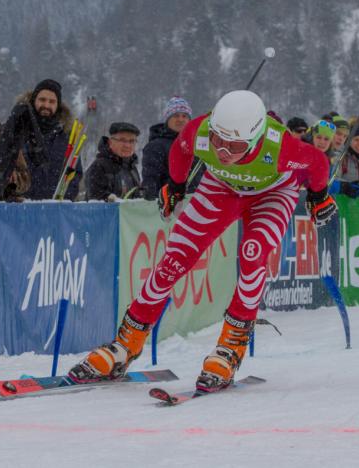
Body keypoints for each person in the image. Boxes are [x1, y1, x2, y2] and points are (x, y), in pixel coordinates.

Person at [69, 90, 336, 392]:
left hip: (272, 194)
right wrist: (177, 185)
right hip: (221, 186)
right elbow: (181, 150)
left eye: (233, 145)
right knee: (174, 258)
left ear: (254, 140)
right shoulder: (202, 131)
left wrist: (318, 196)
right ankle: (125, 343)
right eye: (218, 140)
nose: (222, 150)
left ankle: (230, 348)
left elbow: (317, 165)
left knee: (252, 255)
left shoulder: (281, 148)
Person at [0, 79, 83, 201]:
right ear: (33, 100)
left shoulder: (67, 137)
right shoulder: (12, 130)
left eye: (52, 101)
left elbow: (74, 174)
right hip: (17, 210)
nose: (46, 105)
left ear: (58, 105)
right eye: (42, 100)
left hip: (55, 212)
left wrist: (62, 199)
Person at [141, 97, 195, 200]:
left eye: (184, 116)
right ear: (167, 119)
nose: (180, 119)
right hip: (170, 205)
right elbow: (151, 180)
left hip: (196, 206)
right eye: (175, 115)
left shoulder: (196, 145)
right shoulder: (155, 146)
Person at [85, 122, 142, 201]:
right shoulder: (99, 166)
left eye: (132, 141)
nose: (128, 145)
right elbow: (96, 201)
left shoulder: (132, 167)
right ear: (110, 142)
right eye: (122, 140)